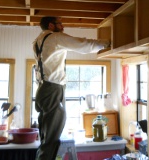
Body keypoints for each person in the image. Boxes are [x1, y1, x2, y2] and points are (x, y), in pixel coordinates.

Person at [33, 16, 110, 160]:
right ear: (50, 25)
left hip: (43, 90)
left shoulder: (38, 41)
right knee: (51, 139)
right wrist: (106, 43)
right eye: (60, 24)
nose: (63, 27)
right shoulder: (55, 37)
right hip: (53, 90)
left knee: (46, 138)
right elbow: (82, 45)